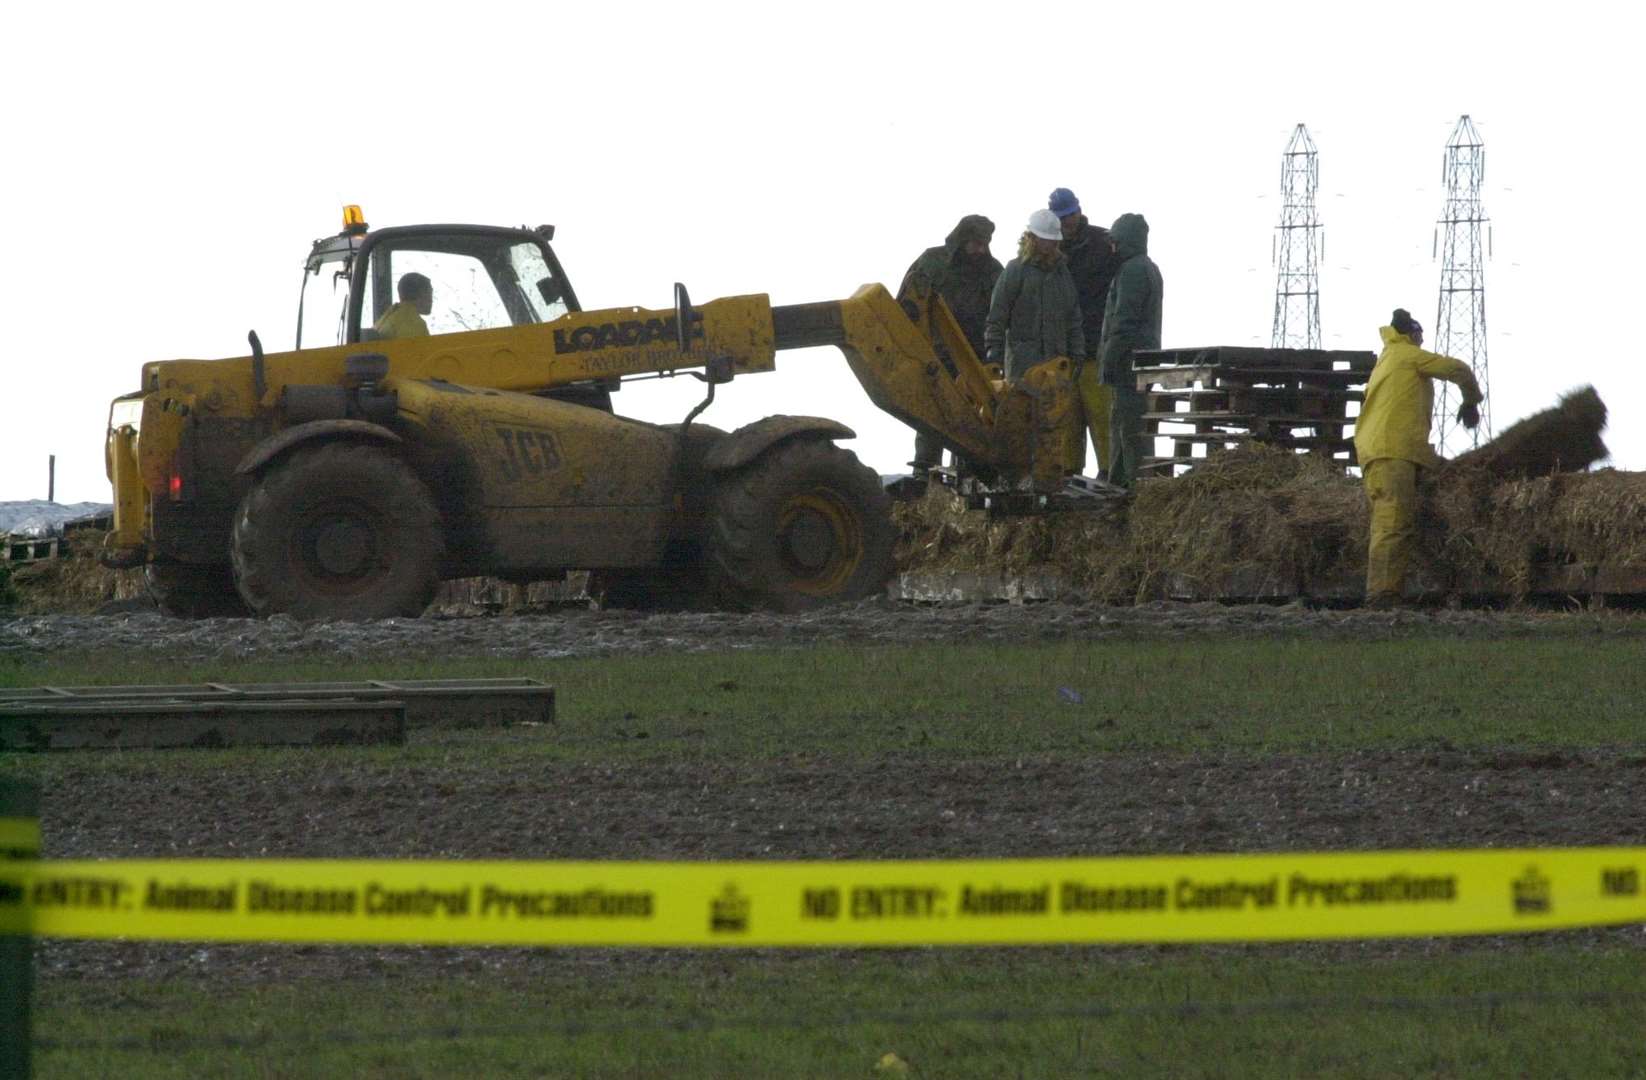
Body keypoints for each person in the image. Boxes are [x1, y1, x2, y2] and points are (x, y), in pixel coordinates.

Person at [1354, 308, 1483, 609]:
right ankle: (1382, 598)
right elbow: (1459, 369)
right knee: (1392, 522)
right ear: (1411, 335)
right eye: (1420, 336)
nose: (1422, 342)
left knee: (1394, 521)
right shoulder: (1407, 356)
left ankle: (1398, 589)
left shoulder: (1385, 361)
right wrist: (1471, 400)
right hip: (1393, 451)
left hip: (1379, 451)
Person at [899, 215, 1002, 474]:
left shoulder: (993, 271)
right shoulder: (932, 262)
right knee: (932, 417)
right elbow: (907, 304)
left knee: (974, 422)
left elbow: (1002, 313)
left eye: (984, 244)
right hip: (935, 355)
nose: (980, 249)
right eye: (975, 243)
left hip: (976, 360)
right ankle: (923, 474)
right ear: (962, 240)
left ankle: (970, 477)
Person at [1049, 187, 1123, 476]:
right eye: (1062, 217)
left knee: (1102, 416)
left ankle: (1109, 472)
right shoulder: (1050, 250)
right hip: (1064, 355)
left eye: (1070, 214)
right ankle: (1068, 475)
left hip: (1095, 350)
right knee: (1066, 420)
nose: (1067, 222)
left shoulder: (1103, 243)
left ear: (1079, 211)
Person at [1096, 213, 1163, 489]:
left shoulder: (1132, 271)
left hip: (1129, 363)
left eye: (1115, 241)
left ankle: (1131, 488)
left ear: (1124, 241)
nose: (1111, 247)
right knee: (1127, 424)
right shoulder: (1145, 267)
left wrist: (1109, 361)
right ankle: (1124, 484)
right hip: (1139, 362)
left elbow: (1124, 322)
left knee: (1129, 427)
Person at [983, 209, 1084, 383]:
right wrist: (994, 352)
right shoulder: (1015, 270)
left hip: (1056, 367)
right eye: (1045, 239)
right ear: (1032, 238)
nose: (1049, 244)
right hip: (1022, 369)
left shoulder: (1062, 274)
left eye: (1052, 240)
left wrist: (1077, 353)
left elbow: (1073, 317)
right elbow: (997, 316)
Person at [374, 272, 433, 339]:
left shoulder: (388, 316)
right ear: (420, 295)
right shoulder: (412, 324)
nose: (431, 300)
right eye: (429, 294)